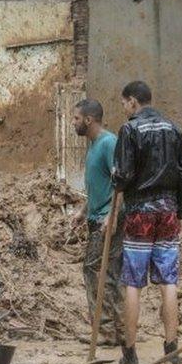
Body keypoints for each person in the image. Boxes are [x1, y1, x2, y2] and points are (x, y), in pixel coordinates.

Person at [112, 81, 182, 364]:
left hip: (139, 213)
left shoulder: (130, 130)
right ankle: (171, 352)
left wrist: (115, 179)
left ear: (133, 101)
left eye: (124, 104)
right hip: (169, 211)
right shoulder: (174, 129)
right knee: (169, 281)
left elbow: (123, 175)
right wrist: (181, 210)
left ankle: (130, 355)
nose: (124, 110)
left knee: (133, 282)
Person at [71, 98, 125, 346]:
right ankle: (117, 331)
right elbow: (98, 185)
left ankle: (105, 331)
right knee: (108, 272)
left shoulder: (108, 144)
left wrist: (111, 216)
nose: (74, 123)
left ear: (89, 120)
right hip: (97, 217)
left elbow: (121, 184)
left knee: (95, 270)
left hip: (108, 220)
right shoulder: (94, 145)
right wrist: (83, 210)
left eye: (76, 118)